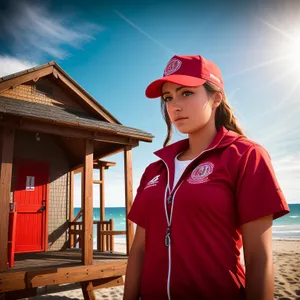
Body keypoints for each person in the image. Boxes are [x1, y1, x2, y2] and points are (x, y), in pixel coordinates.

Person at [123, 55, 290, 300]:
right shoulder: (155, 170)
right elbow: (139, 250)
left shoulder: (246, 156)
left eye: (186, 93)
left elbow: (259, 259)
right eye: (168, 98)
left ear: (216, 98)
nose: (174, 106)